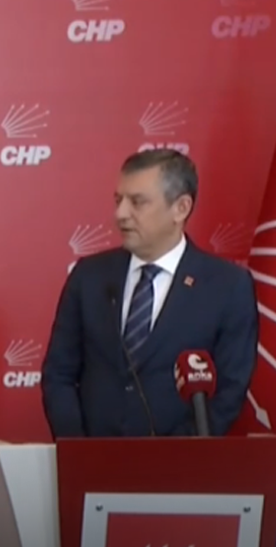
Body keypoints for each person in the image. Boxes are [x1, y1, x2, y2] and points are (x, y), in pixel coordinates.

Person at [41, 148, 258, 438]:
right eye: (118, 200)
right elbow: (59, 374)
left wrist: (170, 457)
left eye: (137, 202)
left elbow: (229, 391)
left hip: (181, 461)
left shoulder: (228, 286)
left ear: (181, 208)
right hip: (91, 457)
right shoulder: (89, 276)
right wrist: (77, 449)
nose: (120, 214)